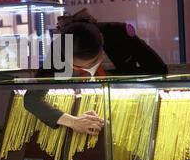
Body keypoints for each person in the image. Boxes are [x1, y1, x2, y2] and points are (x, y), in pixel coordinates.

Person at [24, 8, 168, 136]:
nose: (88, 71)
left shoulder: (119, 35)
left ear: (102, 46)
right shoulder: (61, 47)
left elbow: (159, 71)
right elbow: (31, 99)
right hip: (86, 109)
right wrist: (73, 121)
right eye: (78, 68)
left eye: (93, 63)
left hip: (132, 108)